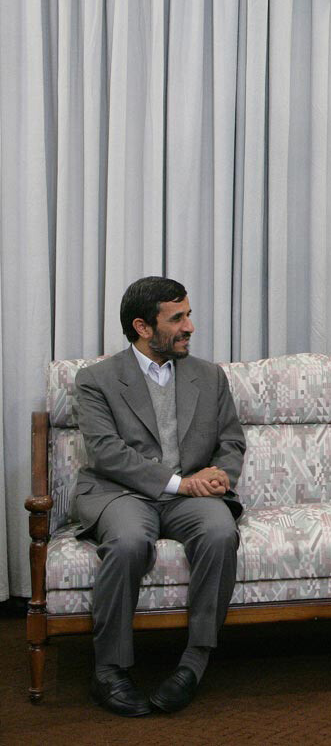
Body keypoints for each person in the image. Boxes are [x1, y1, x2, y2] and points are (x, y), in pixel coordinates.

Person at [73, 277, 245, 716]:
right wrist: (180, 483)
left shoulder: (209, 376)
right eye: (177, 318)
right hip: (122, 493)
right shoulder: (96, 380)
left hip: (191, 497)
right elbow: (106, 453)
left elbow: (231, 441)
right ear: (143, 327)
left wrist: (219, 476)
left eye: (189, 314)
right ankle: (109, 670)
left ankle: (194, 662)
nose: (190, 327)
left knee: (220, 532)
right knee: (129, 541)